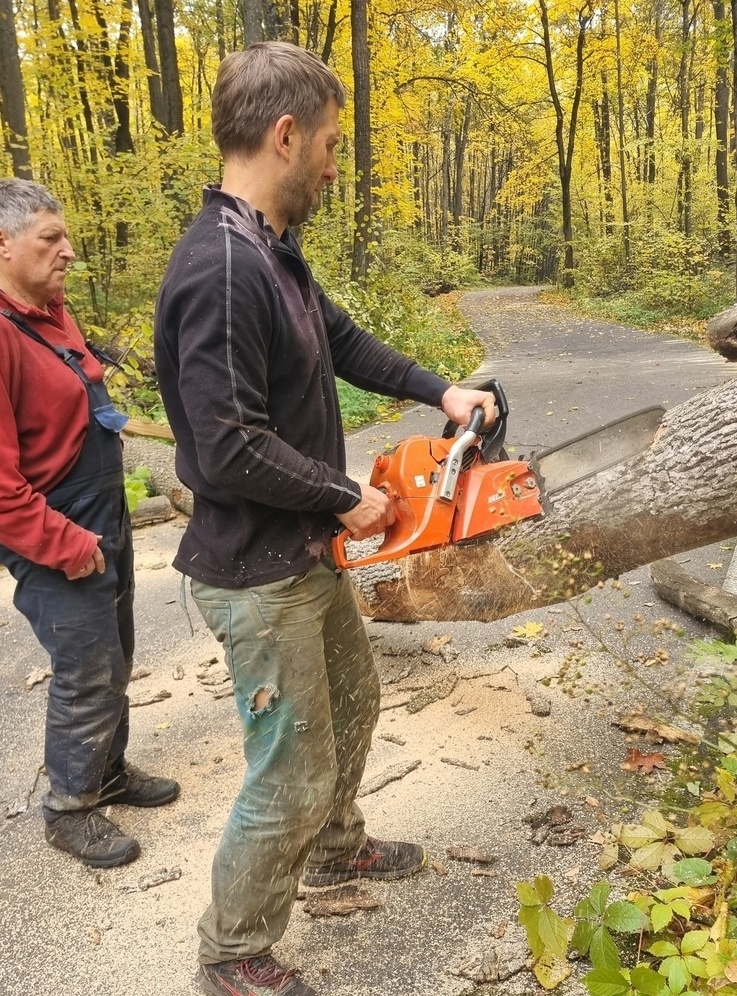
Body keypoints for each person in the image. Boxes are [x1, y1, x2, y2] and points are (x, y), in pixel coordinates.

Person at [154, 42, 496, 996]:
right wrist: (349, 496)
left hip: (300, 552)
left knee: (354, 706)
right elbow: (226, 448)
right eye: (332, 146)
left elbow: (339, 339)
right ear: (286, 134)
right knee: (289, 769)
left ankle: (337, 848)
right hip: (254, 573)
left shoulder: (270, 251)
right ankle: (232, 949)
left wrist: (442, 390)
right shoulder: (222, 269)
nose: (337, 167)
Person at [0, 178, 179, 869]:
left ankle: (107, 771)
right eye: (51, 239)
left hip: (102, 513)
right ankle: (69, 808)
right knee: (87, 666)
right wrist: (64, 544)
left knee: (118, 651)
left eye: (65, 236)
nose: (68, 251)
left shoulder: (49, 309)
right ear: (5, 244)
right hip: (52, 530)